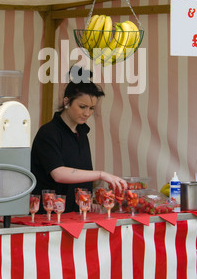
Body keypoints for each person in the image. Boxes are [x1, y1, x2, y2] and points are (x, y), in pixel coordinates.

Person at [31, 67, 127, 213]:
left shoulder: (81, 133)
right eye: (82, 107)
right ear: (67, 102)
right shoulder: (49, 133)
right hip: (48, 217)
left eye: (92, 108)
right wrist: (101, 174)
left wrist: (91, 201)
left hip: (76, 214)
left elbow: (81, 175)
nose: (87, 113)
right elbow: (58, 174)